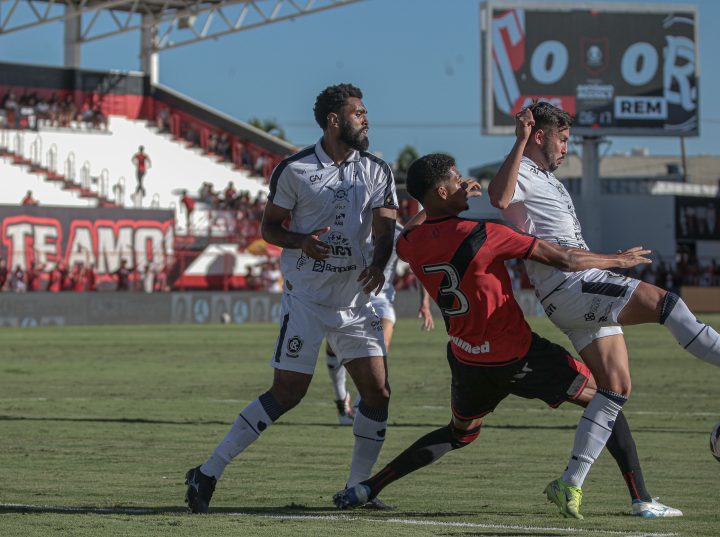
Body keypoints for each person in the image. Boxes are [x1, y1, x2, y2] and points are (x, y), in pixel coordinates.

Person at [334, 153, 676, 519]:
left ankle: (368, 487)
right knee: (608, 400)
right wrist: (616, 260)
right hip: (518, 356)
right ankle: (641, 499)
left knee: (458, 434)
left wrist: (435, 203)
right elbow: (565, 259)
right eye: (456, 179)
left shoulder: (411, 244)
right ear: (440, 190)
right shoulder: (485, 234)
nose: (465, 183)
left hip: (467, 359)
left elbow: (419, 222)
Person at [486, 102, 720, 517]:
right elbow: (499, 197)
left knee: (615, 390)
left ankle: (570, 484)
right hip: (573, 284)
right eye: (562, 139)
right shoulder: (523, 170)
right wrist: (520, 140)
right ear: (540, 136)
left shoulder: (549, 178)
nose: (567, 148)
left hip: (566, 296)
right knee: (665, 303)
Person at [184, 83, 398, 514]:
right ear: (335, 120)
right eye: (359, 113)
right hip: (306, 300)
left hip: (355, 303)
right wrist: (302, 242)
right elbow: (270, 229)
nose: (367, 118)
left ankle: (356, 489)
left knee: (377, 393)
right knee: (287, 393)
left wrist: (379, 263)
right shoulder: (295, 169)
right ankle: (207, 472)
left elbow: (386, 227)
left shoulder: (377, 169)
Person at [326, 220, 434, 425]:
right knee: (333, 350)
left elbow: (418, 264)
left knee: (378, 346)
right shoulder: (353, 224)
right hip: (347, 298)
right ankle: (341, 401)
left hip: (380, 299)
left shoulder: (399, 233)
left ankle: (360, 404)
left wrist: (425, 303)